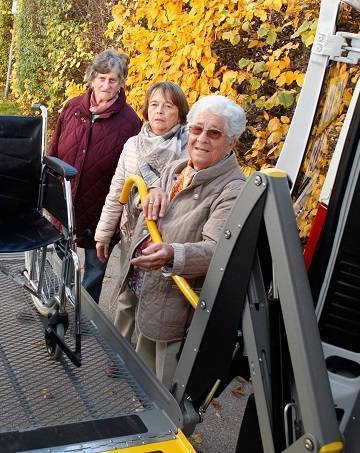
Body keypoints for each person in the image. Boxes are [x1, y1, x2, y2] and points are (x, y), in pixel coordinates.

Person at [114, 95, 247, 388]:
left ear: (232, 142)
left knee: (164, 389)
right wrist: (155, 191)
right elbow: (149, 198)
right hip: (148, 288)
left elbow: (217, 252)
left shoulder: (233, 189)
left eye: (214, 133)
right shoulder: (177, 168)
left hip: (177, 307)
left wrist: (172, 254)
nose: (201, 139)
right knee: (141, 378)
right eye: (197, 129)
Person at [94, 81, 189, 342]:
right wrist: (103, 234)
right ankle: (120, 347)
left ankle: (145, 354)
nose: (159, 112)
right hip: (132, 233)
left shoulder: (190, 147)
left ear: (180, 112)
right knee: (127, 293)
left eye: (168, 106)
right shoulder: (133, 146)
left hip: (169, 234)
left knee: (158, 297)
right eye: (155, 105)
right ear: (147, 109)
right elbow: (116, 193)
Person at [48, 49, 141, 302]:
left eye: (113, 80)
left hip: (102, 206)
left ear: (121, 83)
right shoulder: (72, 107)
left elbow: (132, 169)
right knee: (60, 259)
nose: (106, 85)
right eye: (101, 78)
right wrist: (48, 188)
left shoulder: (130, 122)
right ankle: (58, 306)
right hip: (65, 199)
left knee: (95, 268)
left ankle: (85, 315)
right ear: (92, 78)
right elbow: (54, 149)